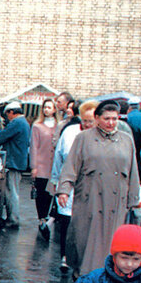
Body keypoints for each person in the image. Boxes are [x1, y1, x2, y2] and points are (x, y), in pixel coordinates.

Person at [57, 100, 141, 276]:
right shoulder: (84, 138)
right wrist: (64, 189)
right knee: (84, 240)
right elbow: (71, 165)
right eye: (106, 118)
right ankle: (82, 276)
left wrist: (134, 200)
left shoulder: (126, 140)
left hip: (116, 203)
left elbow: (133, 171)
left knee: (111, 242)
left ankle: (108, 278)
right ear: (96, 118)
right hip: (90, 198)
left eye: (114, 118)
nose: (111, 123)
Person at [50, 100, 95, 273]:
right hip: (69, 184)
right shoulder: (70, 132)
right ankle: (65, 256)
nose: (87, 124)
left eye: (91, 121)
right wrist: (56, 182)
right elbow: (59, 158)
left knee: (85, 225)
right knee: (67, 222)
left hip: (90, 188)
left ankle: (83, 260)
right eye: (85, 120)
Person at [0, 100, 30, 229]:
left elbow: (1, 137)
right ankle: (11, 218)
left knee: (11, 191)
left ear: (12, 112)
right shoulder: (23, 122)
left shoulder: (17, 123)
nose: (6, 118)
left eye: (7, 114)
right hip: (17, 161)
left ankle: (13, 219)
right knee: (12, 190)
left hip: (13, 162)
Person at [31, 98, 59, 239]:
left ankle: (49, 218)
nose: (46, 109)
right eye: (45, 107)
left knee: (51, 193)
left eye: (49, 107)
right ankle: (42, 219)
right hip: (41, 165)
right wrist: (34, 166)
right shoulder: (37, 126)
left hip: (54, 166)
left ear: (55, 109)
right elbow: (34, 147)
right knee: (41, 193)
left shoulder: (59, 126)